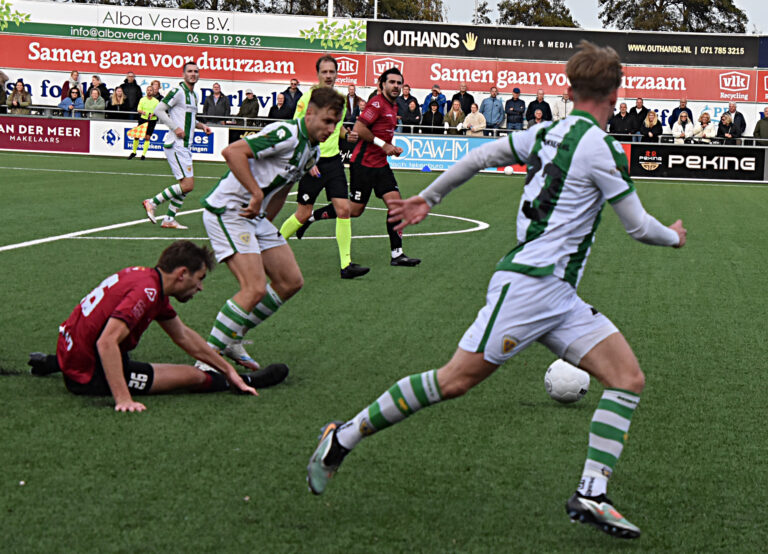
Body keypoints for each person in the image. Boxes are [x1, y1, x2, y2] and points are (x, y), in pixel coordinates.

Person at [306, 41, 687, 542]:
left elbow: (483, 153)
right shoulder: (604, 148)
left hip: (559, 296)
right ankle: (343, 436)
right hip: (529, 289)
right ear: (616, 93)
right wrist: (675, 236)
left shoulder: (548, 131)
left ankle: (592, 494)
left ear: (568, 91)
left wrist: (431, 196)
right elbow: (638, 228)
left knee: (627, 378)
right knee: (453, 381)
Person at [27, 241, 277, 412]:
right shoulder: (147, 292)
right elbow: (106, 343)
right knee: (192, 376)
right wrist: (124, 399)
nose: (200, 287)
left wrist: (225, 368)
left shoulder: (144, 278)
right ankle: (244, 382)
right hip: (88, 374)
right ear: (181, 274)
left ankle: (54, 362)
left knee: (129, 347)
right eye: (199, 279)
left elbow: (184, 336)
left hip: (74, 351)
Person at [197, 87, 344, 370]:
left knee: (291, 281)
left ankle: (232, 337)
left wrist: (266, 225)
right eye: (327, 121)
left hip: (254, 217)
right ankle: (205, 366)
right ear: (309, 113)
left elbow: (282, 189)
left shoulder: (311, 151)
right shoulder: (286, 133)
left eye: (335, 124)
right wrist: (254, 194)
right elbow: (233, 151)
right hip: (229, 210)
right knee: (254, 289)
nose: (331, 129)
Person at [297, 68, 421, 269]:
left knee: (396, 205)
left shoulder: (394, 106)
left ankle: (397, 254)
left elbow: (381, 134)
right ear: (382, 84)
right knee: (354, 211)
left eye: (399, 83)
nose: (396, 86)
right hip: (363, 165)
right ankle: (311, 218)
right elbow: (358, 128)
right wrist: (384, 145)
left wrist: (391, 148)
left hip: (381, 166)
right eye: (392, 82)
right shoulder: (377, 103)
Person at [278, 55, 366, 279]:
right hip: (312, 162)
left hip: (334, 162)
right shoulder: (308, 98)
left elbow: (337, 128)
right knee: (302, 213)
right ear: (318, 74)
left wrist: (349, 134)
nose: (329, 76)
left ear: (337, 74)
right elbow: (297, 130)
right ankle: (270, 248)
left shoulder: (341, 100)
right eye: (324, 72)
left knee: (343, 209)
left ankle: (346, 265)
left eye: (332, 72)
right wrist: (307, 161)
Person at [142, 62, 212, 230]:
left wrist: (202, 126)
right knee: (188, 185)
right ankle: (152, 202)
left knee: (185, 187)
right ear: (183, 74)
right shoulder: (178, 91)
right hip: (176, 144)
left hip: (185, 145)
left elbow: (189, 119)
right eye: (190, 71)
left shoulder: (193, 96)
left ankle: (169, 219)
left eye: (196, 71)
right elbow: (159, 110)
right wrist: (175, 128)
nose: (193, 74)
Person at [129, 85, 160, 160]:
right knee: (137, 136)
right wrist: (143, 112)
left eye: (151, 90)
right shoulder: (142, 99)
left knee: (147, 137)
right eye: (148, 90)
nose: (149, 91)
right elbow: (138, 109)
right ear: (146, 91)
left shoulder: (156, 101)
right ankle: (134, 152)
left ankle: (143, 155)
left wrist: (154, 114)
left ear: (153, 92)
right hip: (143, 119)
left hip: (152, 120)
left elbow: (158, 111)